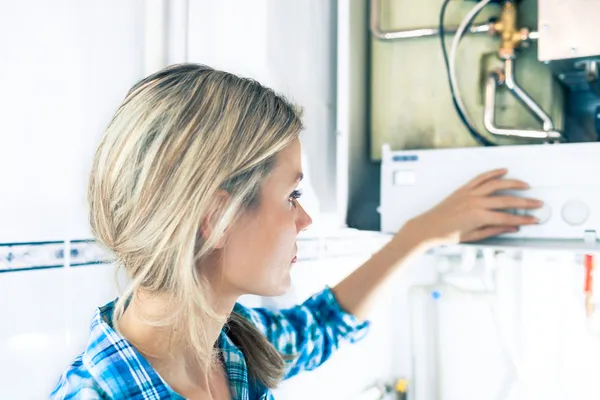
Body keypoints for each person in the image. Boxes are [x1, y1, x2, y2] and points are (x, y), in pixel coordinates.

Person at [50, 64, 541, 400]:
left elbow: (324, 324)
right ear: (214, 217)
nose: (303, 220)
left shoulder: (231, 345)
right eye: (292, 197)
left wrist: (421, 233)